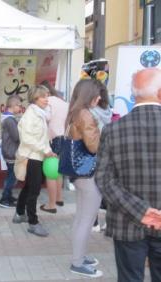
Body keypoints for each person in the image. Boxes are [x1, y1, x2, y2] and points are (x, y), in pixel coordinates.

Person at [95, 68, 161, 282]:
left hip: (127, 222)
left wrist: (141, 211)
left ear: (134, 95)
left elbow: (103, 179)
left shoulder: (113, 130)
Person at [65, 79, 103, 278]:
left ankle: (79, 255)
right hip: (89, 172)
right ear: (90, 95)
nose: (99, 98)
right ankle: (78, 262)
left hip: (78, 172)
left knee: (81, 217)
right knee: (86, 219)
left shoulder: (74, 112)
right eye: (97, 95)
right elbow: (94, 146)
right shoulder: (85, 114)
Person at [11, 85, 55, 237]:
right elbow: (28, 139)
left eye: (47, 95)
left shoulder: (39, 113)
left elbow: (41, 137)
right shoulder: (31, 115)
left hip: (37, 156)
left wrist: (47, 149)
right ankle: (33, 222)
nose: (46, 99)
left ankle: (19, 213)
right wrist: (46, 150)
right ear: (35, 99)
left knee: (29, 187)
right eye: (43, 96)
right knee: (34, 190)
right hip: (32, 157)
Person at [39, 80, 68, 213]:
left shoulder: (47, 101)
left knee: (50, 172)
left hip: (53, 138)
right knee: (59, 171)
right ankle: (59, 198)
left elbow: (47, 118)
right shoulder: (63, 101)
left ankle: (51, 205)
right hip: (65, 138)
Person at [89, 82, 112, 232]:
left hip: (93, 151)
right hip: (107, 151)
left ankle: (95, 222)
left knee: (93, 188)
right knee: (107, 188)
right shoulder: (108, 110)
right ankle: (109, 222)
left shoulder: (90, 112)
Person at [0, 95, 22, 208]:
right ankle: (4, 198)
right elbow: (16, 137)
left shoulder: (7, 118)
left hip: (8, 150)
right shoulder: (10, 120)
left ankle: (9, 196)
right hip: (11, 151)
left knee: (10, 175)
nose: (20, 109)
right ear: (14, 105)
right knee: (12, 177)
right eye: (19, 106)